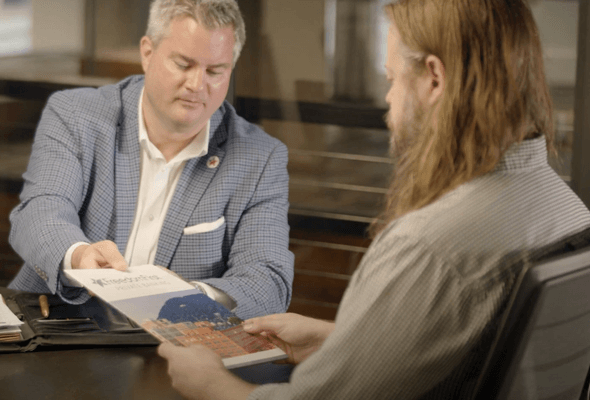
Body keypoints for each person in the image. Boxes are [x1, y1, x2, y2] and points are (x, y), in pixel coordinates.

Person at [157, 0, 590, 398]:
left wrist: (210, 382)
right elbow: (474, 349)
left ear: (434, 79)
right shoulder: (566, 207)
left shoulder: (429, 247)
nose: (388, 102)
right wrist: (342, 340)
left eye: (392, 80)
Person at [7, 0, 294, 320]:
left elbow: (268, 281)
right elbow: (40, 211)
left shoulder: (260, 157)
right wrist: (78, 255)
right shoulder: (75, 115)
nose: (197, 85)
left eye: (215, 71)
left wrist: (191, 298)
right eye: (184, 64)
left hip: (173, 349)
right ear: (147, 53)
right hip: (56, 322)